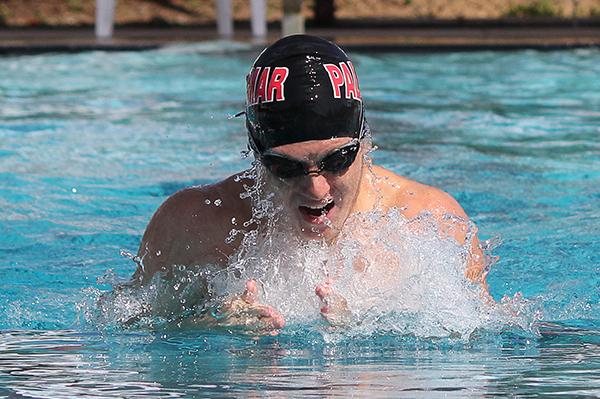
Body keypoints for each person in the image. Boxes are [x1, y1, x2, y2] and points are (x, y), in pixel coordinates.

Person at [129, 35, 487, 334]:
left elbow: (487, 338)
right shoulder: (193, 224)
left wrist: (371, 333)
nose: (317, 191)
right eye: (286, 167)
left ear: (364, 142)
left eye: (336, 160)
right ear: (256, 154)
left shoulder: (431, 223)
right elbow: (124, 326)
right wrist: (205, 326)